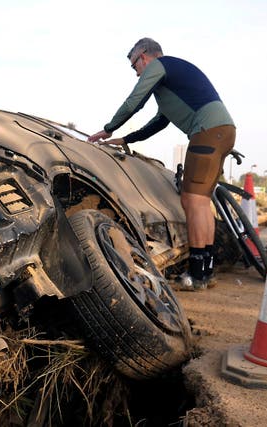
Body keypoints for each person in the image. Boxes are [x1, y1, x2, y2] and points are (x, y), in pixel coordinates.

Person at [88, 37, 235, 291]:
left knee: (193, 201)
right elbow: (158, 122)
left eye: (135, 67)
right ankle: (206, 271)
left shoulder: (159, 66)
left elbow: (135, 100)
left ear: (144, 56)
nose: (137, 74)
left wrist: (108, 129)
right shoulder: (171, 83)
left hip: (207, 131)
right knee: (202, 202)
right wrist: (126, 139)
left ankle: (196, 275)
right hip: (223, 131)